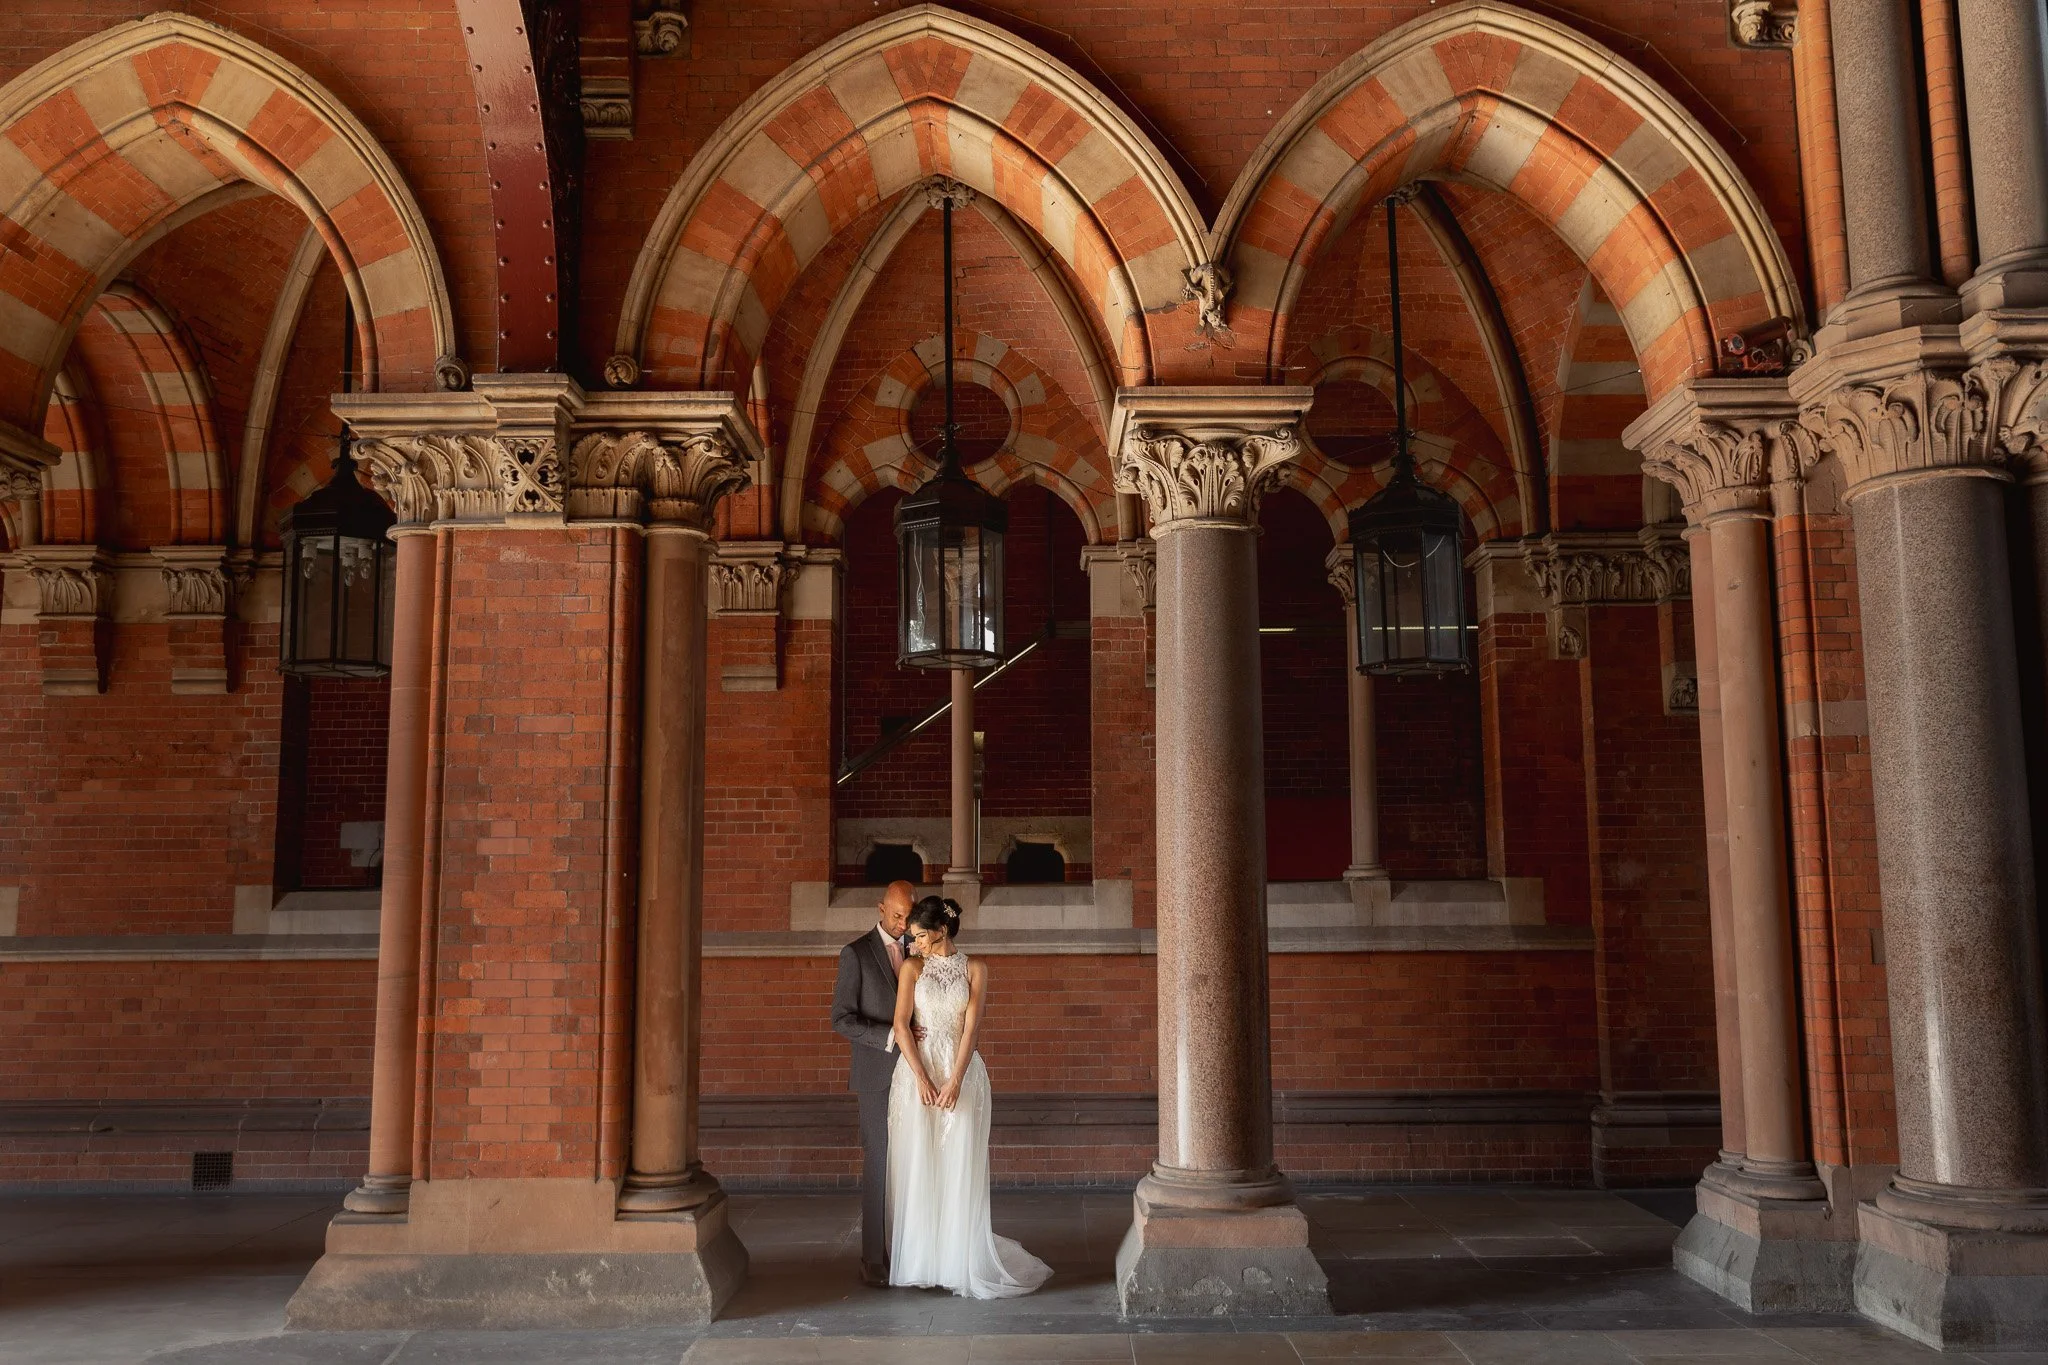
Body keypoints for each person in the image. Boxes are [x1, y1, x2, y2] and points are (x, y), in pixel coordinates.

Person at [886, 895, 1052, 1298]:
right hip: (917, 1076)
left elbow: (972, 1030)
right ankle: (924, 1261)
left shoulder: (977, 969)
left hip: (962, 1073)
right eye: (912, 938)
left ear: (942, 931)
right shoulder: (912, 968)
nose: (915, 945)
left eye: (921, 936)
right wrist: (922, 1077)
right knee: (919, 1164)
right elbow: (901, 1025)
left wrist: (956, 1080)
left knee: (959, 1164)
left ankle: (959, 1260)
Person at [831, 879, 917, 1287]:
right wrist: (890, 1037)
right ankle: (873, 1260)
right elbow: (841, 1019)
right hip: (876, 1073)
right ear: (880, 908)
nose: (903, 924)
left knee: (913, 1162)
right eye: (896, 915)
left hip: (917, 1072)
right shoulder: (856, 954)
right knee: (878, 1161)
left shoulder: (920, 948)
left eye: (908, 916)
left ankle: (910, 1250)